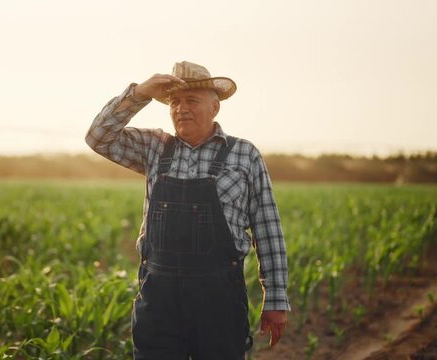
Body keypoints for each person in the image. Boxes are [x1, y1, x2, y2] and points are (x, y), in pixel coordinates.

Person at [85, 61, 290, 359]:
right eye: (175, 101)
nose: (181, 108)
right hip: (159, 299)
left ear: (215, 107)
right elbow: (98, 137)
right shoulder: (154, 146)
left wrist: (275, 298)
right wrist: (139, 93)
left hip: (218, 298)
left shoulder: (244, 154)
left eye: (191, 100)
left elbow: (267, 229)